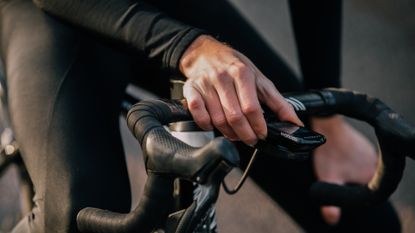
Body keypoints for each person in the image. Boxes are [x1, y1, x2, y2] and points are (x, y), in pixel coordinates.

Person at [0, 0, 400, 232]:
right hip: (57, 13)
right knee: (84, 216)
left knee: (365, 221)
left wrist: (329, 124)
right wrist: (192, 49)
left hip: (171, 7)